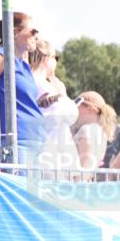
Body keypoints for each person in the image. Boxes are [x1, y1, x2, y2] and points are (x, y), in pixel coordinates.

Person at [0, 12, 46, 162]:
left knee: (31, 187)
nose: (36, 36)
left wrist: (38, 103)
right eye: (33, 31)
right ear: (14, 32)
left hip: (35, 141)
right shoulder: (2, 57)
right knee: (20, 186)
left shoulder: (23, 65)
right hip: (17, 142)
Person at [29, 39, 80, 173]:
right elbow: (70, 114)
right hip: (49, 157)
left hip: (46, 155)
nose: (56, 62)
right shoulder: (41, 83)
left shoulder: (30, 81)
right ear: (46, 58)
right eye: (55, 57)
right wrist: (61, 92)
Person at [72, 91, 116, 171]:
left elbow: (86, 165)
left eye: (78, 104)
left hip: (80, 182)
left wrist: (76, 182)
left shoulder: (87, 130)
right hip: (89, 181)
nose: (75, 109)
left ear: (90, 109)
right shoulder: (102, 133)